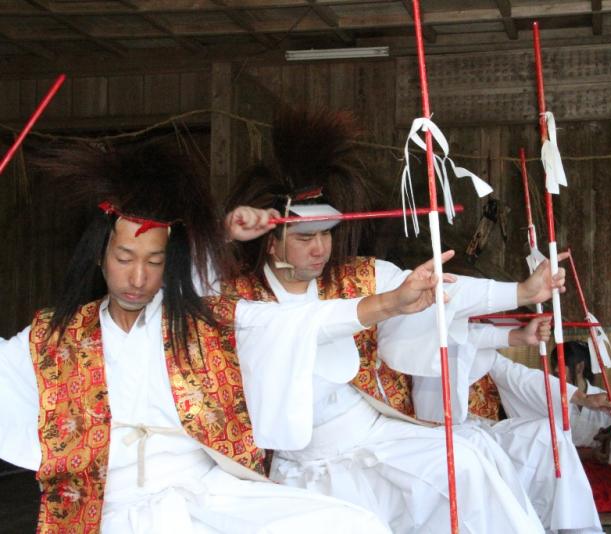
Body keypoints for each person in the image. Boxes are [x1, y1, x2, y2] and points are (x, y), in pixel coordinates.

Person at [0, 141, 448, 534]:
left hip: (206, 493)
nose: (138, 277)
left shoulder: (196, 322)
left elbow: (299, 322)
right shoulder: (52, 336)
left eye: (154, 261)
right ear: (100, 257)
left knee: (354, 525)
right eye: (124, 257)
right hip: (109, 506)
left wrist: (389, 303)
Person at [222, 107, 571, 533]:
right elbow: (183, 278)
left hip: (372, 431)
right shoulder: (233, 296)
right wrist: (227, 232)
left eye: (327, 234)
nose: (320, 249)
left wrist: (519, 292)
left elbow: (437, 287)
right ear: (271, 244)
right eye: (304, 237)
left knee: (464, 465)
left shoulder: (357, 276)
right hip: (304, 461)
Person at [412, 319, 611, 534]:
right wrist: (518, 334)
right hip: (431, 428)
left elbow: (522, 378)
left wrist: (582, 398)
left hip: (479, 426)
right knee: (478, 447)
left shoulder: (485, 353)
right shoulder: (427, 339)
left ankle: (572, 526)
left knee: (548, 432)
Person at [552, 341, 611, 516]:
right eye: (554, 366)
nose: (554, 371)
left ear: (579, 367)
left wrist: (607, 441)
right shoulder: (552, 398)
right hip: (568, 465)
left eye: (560, 365)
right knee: (560, 491)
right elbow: (551, 445)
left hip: (599, 469)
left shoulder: (602, 398)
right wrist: (586, 454)